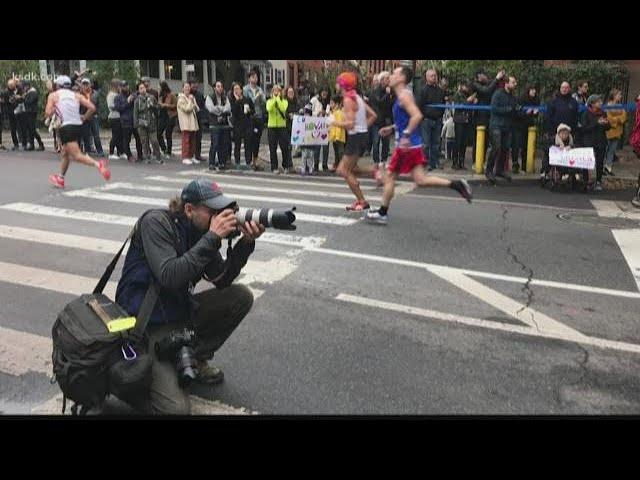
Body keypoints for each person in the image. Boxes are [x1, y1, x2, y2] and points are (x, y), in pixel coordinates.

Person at [114, 179, 263, 415]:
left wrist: (246, 243)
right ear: (189, 209)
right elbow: (169, 275)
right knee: (176, 410)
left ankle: (197, 356)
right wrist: (212, 237)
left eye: (221, 211)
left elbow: (222, 279)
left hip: (180, 313)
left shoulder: (201, 231)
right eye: (212, 211)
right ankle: (118, 384)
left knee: (240, 297)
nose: (219, 217)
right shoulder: (156, 223)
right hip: (146, 325)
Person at [365, 66, 472, 225]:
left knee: (389, 178)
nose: (391, 76)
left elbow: (417, 116)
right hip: (412, 145)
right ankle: (456, 185)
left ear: (401, 78)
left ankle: (382, 213)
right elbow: (408, 118)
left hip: (406, 145)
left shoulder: (404, 96)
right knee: (420, 180)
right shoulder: (403, 95)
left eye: (394, 73)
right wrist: (393, 128)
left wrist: (406, 134)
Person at [46, 76, 111, 189]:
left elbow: (48, 112)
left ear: (58, 85)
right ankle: (61, 178)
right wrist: (84, 117)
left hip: (66, 126)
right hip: (78, 125)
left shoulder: (54, 95)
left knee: (76, 155)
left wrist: (53, 112)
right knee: (65, 153)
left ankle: (98, 165)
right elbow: (92, 107)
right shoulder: (76, 95)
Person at [331, 72, 378, 211]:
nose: (336, 84)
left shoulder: (348, 100)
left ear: (343, 85)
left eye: (338, 82)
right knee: (353, 169)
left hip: (355, 137)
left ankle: (362, 201)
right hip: (361, 135)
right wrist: (363, 128)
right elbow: (373, 115)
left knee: (343, 170)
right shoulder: (357, 97)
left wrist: (335, 122)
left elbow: (350, 124)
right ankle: (376, 171)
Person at [485, 75, 519, 184]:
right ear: (506, 83)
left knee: (505, 149)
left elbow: (516, 109)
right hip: (496, 125)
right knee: (496, 147)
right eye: (513, 82)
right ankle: (489, 171)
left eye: (515, 82)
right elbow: (494, 108)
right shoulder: (498, 94)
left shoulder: (513, 97)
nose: (515, 84)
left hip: (507, 126)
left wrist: (522, 111)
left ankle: (499, 170)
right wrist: (508, 109)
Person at [542, 81, 579, 179]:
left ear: (569, 88)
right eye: (563, 87)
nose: (564, 89)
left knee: (567, 153)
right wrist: (551, 132)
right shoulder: (553, 101)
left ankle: (566, 173)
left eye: (566, 87)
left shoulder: (573, 102)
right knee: (551, 153)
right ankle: (546, 171)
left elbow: (576, 118)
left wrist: (573, 132)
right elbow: (548, 117)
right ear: (560, 88)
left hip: (569, 134)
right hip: (555, 133)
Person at [471, 68, 505, 162]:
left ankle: (482, 160)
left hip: (489, 115)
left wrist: (500, 77)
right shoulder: (475, 84)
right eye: (483, 74)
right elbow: (486, 91)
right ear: (479, 76)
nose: (486, 76)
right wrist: (496, 79)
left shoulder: (489, 82)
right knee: (478, 140)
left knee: (486, 141)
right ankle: (476, 161)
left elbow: (496, 85)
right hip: (479, 116)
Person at [581, 94, 611, 191]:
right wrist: (596, 123)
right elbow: (584, 128)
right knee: (586, 161)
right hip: (589, 141)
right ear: (592, 104)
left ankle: (598, 181)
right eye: (598, 102)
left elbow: (608, 127)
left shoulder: (603, 113)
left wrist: (606, 123)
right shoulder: (586, 113)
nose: (601, 103)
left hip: (601, 141)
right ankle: (586, 180)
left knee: (600, 162)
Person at [134, 82, 163, 164]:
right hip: (141, 124)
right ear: (138, 90)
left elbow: (158, 107)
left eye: (143, 88)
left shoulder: (152, 97)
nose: (142, 89)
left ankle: (158, 156)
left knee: (154, 141)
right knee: (144, 141)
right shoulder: (137, 100)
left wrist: (153, 106)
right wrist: (136, 125)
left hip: (151, 123)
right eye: (140, 88)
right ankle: (147, 157)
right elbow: (135, 113)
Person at [512, 85, 539, 174]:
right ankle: (517, 166)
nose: (534, 92)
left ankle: (526, 166)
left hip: (530, 126)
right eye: (532, 89)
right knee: (518, 146)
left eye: (534, 90)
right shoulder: (521, 99)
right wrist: (525, 113)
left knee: (528, 147)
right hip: (520, 125)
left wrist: (535, 113)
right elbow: (517, 113)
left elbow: (536, 113)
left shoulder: (536, 100)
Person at [205, 81, 232, 171]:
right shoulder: (210, 97)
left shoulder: (225, 97)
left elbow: (228, 108)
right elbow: (211, 109)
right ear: (214, 88)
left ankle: (221, 162)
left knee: (223, 145)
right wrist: (221, 110)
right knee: (215, 144)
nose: (220, 88)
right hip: (214, 124)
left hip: (223, 124)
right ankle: (211, 163)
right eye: (218, 86)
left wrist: (219, 108)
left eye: (221, 86)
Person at [370, 71, 394, 171]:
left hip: (386, 121)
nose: (389, 80)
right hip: (376, 121)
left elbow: (392, 103)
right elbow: (379, 102)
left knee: (386, 143)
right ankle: (376, 161)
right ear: (382, 80)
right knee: (376, 143)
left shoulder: (390, 91)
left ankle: (383, 161)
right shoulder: (376, 91)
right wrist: (387, 95)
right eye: (387, 78)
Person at [265, 84, 292, 174]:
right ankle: (274, 167)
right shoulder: (269, 101)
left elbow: (283, 108)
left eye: (278, 90)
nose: (276, 92)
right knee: (272, 148)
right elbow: (269, 108)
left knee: (284, 147)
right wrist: (274, 99)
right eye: (275, 91)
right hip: (272, 127)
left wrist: (278, 99)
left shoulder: (284, 101)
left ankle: (286, 165)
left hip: (282, 126)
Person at [243, 71, 266, 169]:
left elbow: (264, 102)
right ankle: (248, 162)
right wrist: (256, 97)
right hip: (249, 118)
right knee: (249, 140)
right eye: (253, 77)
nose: (255, 79)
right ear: (249, 79)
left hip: (259, 116)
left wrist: (261, 97)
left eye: (256, 77)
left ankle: (255, 162)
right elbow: (247, 102)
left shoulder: (260, 89)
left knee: (257, 140)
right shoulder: (245, 89)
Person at [452, 81, 476, 170]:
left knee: (464, 142)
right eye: (465, 86)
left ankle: (461, 162)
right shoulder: (457, 95)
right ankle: (455, 162)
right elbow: (459, 106)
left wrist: (473, 102)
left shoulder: (468, 94)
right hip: (459, 120)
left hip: (467, 120)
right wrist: (468, 101)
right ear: (461, 86)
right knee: (458, 141)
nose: (467, 88)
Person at [114, 81, 140, 162]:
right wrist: (127, 102)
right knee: (126, 140)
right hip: (126, 121)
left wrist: (133, 97)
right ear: (121, 88)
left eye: (126, 86)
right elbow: (118, 109)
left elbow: (138, 97)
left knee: (138, 139)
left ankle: (140, 155)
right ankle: (129, 155)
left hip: (135, 120)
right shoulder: (118, 97)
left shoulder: (133, 95)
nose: (125, 87)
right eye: (123, 86)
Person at [230, 82, 255, 168]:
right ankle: (237, 162)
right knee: (237, 144)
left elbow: (253, 111)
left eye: (238, 89)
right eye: (234, 89)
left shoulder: (247, 99)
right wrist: (237, 101)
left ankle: (248, 162)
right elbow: (233, 111)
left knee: (248, 144)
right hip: (237, 125)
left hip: (247, 124)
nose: (236, 91)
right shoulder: (232, 100)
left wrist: (249, 111)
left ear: (241, 90)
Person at [604, 89, 627, 176]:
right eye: (619, 95)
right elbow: (609, 119)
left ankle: (608, 167)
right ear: (614, 96)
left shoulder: (620, 106)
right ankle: (601, 167)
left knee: (612, 151)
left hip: (617, 132)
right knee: (606, 150)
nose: (620, 96)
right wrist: (618, 119)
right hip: (609, 131)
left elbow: (624, 117)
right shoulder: (607, 106)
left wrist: (617, 119)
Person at [177, 82, 200, 165]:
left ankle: (191, 156)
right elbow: (187, 109)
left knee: (193, 141)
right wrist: (191, 101)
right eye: (185, 87)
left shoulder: (191, 97)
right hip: (186, 123)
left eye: (188, 87)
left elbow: (197, 109)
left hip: (193, 122)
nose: (187, 89)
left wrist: (193, 101)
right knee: (186, 141)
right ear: (182, 89)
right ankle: (185, 157)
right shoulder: (181, 99)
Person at [310, 86, 331, 171]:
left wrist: (326, 113)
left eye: (326, 91)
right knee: (317, 146)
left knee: (326, 147)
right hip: (316, 126)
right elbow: (308, 110)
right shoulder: (314, 100)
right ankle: (315, 164)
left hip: (326, 126)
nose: (324, 93)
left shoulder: (329, 101)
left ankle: (325, 165)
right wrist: (317, 113)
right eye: (323, 91)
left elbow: (331, 113)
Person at [158, 81, 178, 159]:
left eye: (159, 86)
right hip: (162, 116)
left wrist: (165, 105)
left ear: (163, 87)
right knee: (158, 133)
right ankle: (164, 149)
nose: (158, 88)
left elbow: (175, 105)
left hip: (170, 116)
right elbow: (159, 103)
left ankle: (169, 152)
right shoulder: (160, 95)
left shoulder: (171, 95)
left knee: (168, 134)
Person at [107, 79, 126, 161]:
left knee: (120, 136)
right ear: (115, 86)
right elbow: (111, 106)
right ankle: (111, 153)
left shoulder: (117, 94)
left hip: (119, 117)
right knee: (115, 135)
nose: (120, 87)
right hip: (114, 117)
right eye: (119, 85)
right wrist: (120, 107)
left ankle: (120, 152)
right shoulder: (111, 95)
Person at [190, 81, 208, 162]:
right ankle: (190, 154)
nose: (195, 86)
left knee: (198, 138)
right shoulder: (187, 94)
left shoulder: (200, 94)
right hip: (189, 118)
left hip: (198, 118)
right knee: (190, 138)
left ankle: (198, 154)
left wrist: (203, 117)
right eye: (193, 85)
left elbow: (203, 106)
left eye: (196, 85)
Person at [328, 95, 346, 173]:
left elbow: (339, 126)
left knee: (340, 152)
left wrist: (337, 136)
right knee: (336, 152)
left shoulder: (339, 113)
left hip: (339, 137)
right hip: (335, 136)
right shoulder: (333, 112)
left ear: (337, 104)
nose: (331, 105)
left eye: (332, 103)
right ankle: (338, 165)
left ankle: (343, 167)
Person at [285, 86, 301, 160]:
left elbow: (299, 111)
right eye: (289, 92)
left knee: (296, 143)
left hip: (296, 126)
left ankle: (296, 154)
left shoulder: (296, 102)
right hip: (287, 126)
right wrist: (289, 115)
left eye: (292, 92)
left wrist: (294, 114)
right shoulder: (284, 102)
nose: (291, 93)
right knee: (288, 146)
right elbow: (285, 112)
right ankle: (288, 163)